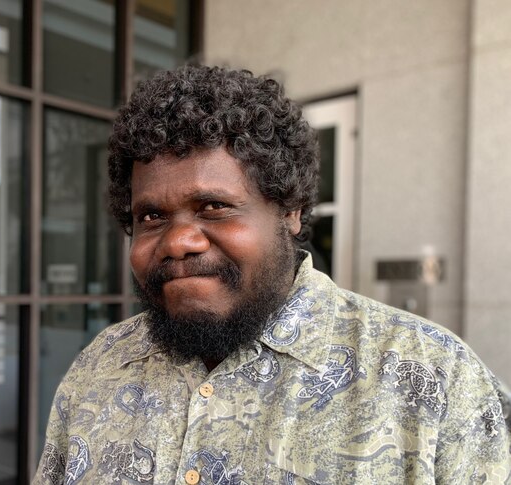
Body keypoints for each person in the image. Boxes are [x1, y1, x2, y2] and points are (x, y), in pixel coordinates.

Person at [33, 65, 511, 484]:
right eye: (151, 218)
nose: (178, 241)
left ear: (290, 211)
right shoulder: (100, 367)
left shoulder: (434, 381)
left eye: (214, 207)